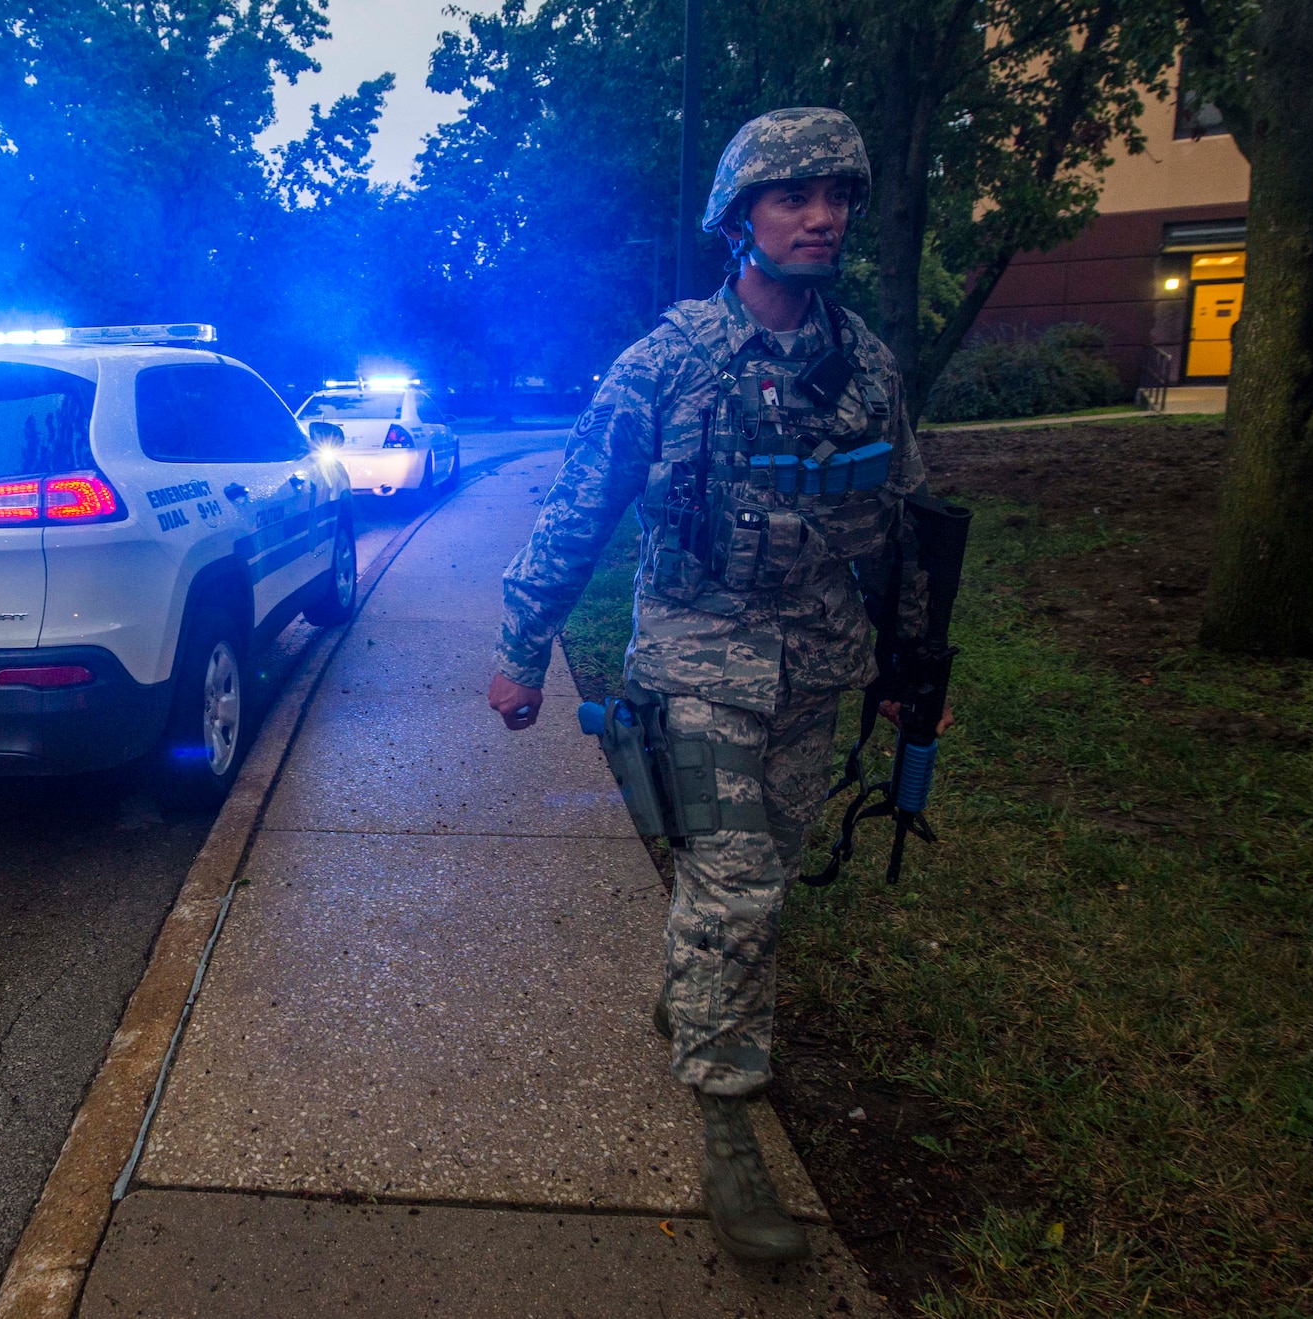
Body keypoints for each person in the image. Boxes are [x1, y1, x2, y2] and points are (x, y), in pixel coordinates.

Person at [486, 106, 951, 1262]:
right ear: (737, 220)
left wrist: (908, 664)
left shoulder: (865, 366)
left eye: (835, 195)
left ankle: (694, 993)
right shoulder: (668, 362)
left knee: (751, 880)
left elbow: (900, 524)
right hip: (697, 658)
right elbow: (577, 509)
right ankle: (728, 1115)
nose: (820, 216)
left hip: (817, 664)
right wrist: (518, 646)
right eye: (792, 197)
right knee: (736, 886)